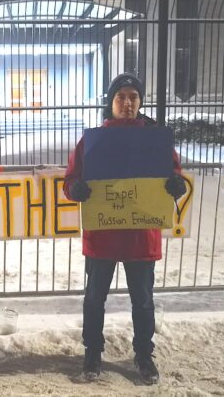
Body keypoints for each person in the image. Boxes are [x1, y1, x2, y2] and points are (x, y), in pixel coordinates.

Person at [63, 73, 186, 385]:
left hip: (140, 238)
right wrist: (75, 189)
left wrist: (176, 184)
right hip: (103, 236)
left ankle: (144, 355)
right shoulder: (92, 141)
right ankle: (92, 353)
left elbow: (175, 176)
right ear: (111, 102)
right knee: (94, 298)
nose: (128, 102)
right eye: (121, 97)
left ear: (140, 101)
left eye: (133, 96)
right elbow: (70, 180)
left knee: (143, 300)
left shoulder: (155, 140)